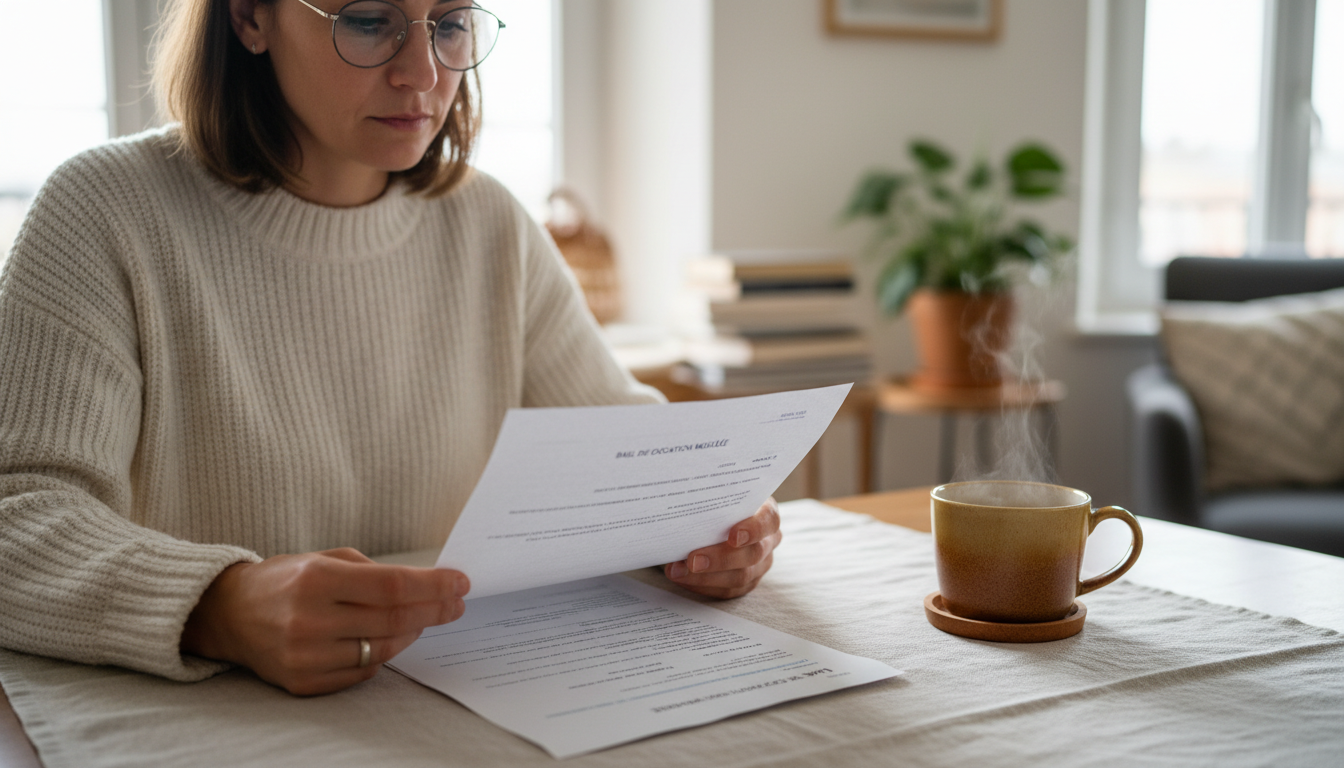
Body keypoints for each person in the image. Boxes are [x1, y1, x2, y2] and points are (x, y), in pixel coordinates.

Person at [0, 0, 781, 697]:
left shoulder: (489, 224)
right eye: (368, 22)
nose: (422, 73)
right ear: (249, 19)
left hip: (463, 701)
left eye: (448, 24)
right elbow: (18, 517)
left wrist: (705, 520)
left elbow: (621, 445)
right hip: (207, 721)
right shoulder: (103, 211)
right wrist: (219, 605)